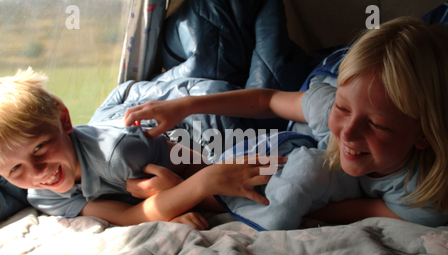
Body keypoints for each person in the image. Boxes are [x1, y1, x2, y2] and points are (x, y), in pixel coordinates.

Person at [123, 17, 448, 228]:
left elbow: (332, 207)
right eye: (345, 110)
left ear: (422, 134)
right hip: (314, 88)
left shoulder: (422, 200)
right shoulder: (328, 108)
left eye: (377, 125)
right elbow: (265, 100)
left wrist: (188, 194)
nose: (348, 133)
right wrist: (185, 106)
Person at [0, 68, 284, 230]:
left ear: (64, 121)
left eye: (39, 148)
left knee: (249, 88)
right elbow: (127, 216)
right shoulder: (42, 196)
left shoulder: (121, 154)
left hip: (182, 135)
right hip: (115, 124)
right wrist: (183, 197)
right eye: (14, 168)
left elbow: (198, 166)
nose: (37, 172)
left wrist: (194, 186)